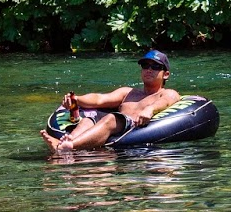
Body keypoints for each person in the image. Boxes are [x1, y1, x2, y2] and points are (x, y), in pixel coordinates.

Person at [42, 49, 180, 153]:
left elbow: (167, 101)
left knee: (111, 118)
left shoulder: (168, 93)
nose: (149, 70)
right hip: (117, 127)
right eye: (145, 65)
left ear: (166, 74)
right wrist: (77, 99)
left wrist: (149, 109)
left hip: (133, 128)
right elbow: (100, 99)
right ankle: (66, 142)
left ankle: (70, 146)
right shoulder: (128, 92)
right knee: (89, 118)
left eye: (155, 67)